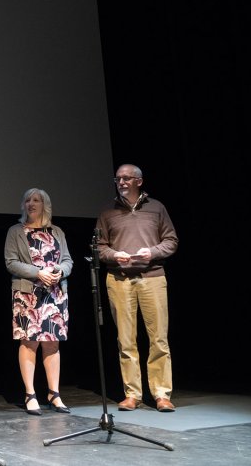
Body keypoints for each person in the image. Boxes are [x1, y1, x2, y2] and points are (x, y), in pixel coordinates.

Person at [96, 164, 179, 412]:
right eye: (118, 179)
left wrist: (151, 252)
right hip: (119, 279)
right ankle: (132, 394)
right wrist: (114, 255)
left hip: (153, 277)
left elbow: (171, 241)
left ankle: (162, 394)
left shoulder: (156, 208)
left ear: (139, 181)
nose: (121, 182)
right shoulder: (108, 212)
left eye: (126, 178)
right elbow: (100, 247)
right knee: (126, 340)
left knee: (159, 339)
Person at [4, 188, 73, 415]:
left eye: (36, 200)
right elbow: (11, 262)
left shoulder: (57, 232)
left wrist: (58, 272)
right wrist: (38, 272)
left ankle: (54, 394)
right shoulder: (16, 231)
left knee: (52, 343)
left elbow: (67, 261)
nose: (31, 204)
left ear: (45, 205)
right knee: (29, 342)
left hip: (55, 294)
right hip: (27, 294)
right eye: (27, 200)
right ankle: (30, 393)